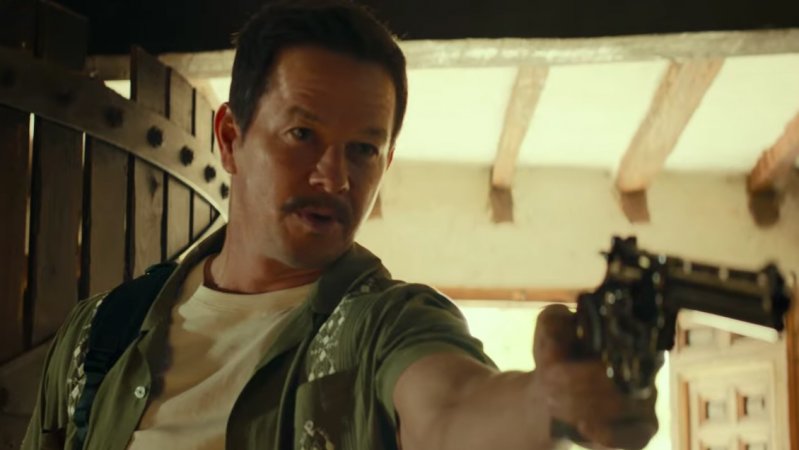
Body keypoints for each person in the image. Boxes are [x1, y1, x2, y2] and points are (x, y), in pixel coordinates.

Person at [23, 1, 658, 449]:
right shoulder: (98, 335)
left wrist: (547, 402)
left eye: (363, 149)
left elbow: (450, 412)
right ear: (231, 137)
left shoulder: (387, 325)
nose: (334, 177)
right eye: (303, 135)